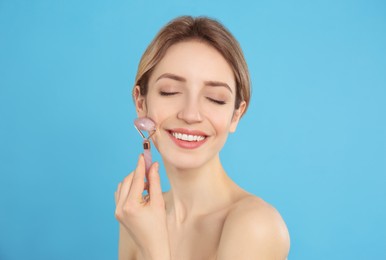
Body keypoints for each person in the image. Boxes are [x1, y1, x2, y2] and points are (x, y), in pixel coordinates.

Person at [114, 16, 290, 260]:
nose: (190, 114)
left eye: (216, 98)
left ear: (236, 115)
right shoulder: (137, 217)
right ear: (141, 103)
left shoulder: (256, 226)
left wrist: (153, 249)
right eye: (170, 91)